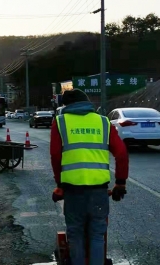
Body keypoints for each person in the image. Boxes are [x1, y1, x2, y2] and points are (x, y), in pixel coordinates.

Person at [50, 89, 129, 265]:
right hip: (99, 190)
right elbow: (122, 153)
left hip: (72, 190)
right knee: (97, 234)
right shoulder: (103, 122)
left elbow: (56, 156)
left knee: (75, 233)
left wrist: (59, 185)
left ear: (65, 105)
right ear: (86, 102)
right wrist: (120, 183)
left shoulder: (61, 122)